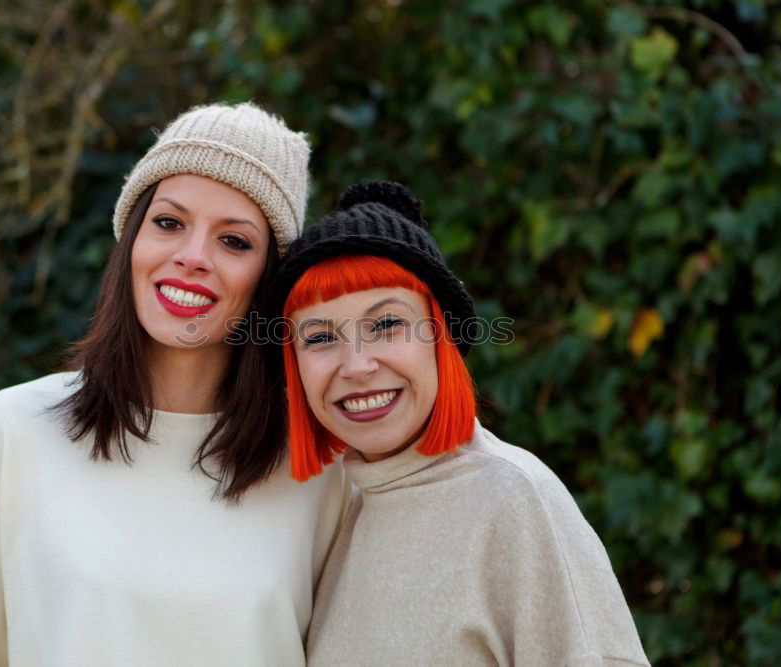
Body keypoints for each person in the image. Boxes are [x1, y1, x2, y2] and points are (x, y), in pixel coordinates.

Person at [0, 103, 348, 667]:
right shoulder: (16, 429)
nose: (192, 258)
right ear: (132, 239)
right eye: (169, 222)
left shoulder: (320, 460)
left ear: (268, 279)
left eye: (234, 241)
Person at [269, 181, 650, 666]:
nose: (357, 365)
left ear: (441, 337)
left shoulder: (512, 497)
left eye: (386, 324)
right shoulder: (339, 508)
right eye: (320, 337)